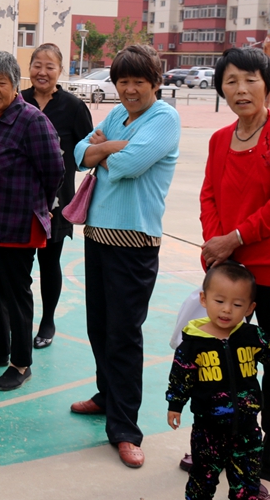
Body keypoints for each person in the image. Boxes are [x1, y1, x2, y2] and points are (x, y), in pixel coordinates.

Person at [71, 44, 180, 469]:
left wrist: (106, 149)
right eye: (123, 81)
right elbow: (80, 154)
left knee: (123, 334)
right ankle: (106, 395)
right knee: (99, 327)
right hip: (98, 235)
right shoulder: (119, 115)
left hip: (133, 242)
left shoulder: (165, 118)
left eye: (138, 81)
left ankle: (125, 429)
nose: (130, 89)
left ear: (155, 82)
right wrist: (106, 146)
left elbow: (132, 164)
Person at [0, 50, 63, 392]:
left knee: (16, 293)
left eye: (1, 82)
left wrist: (40, 204)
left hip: (17, 223)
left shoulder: (32, 120)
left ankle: (21, 362)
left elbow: (54, 169)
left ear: (16, 85)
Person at [199, 46, 270, 491]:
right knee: (225, 368)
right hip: (228, 275)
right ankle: (220, 445)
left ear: (267, 82)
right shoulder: (217, 139)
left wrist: (236, 239)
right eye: (231, 81)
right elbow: (208, 195)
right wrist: (217, 252)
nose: (241, 89)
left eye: (250, 79)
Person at [167, 263, 270, 500]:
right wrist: (175, 405)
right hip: (208, 431)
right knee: (201, 482)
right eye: (219, 301)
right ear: (204, 299)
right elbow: (180, 376)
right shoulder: (193, 344)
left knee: (247, 485)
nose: (227, 310)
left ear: (250, 308)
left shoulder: (252, 337)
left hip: (248, 430)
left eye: (237, 305)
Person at [22, 43, 93, 349]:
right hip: (19, 201)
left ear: (60, 71)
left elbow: (86, 154)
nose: (43, 72)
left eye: (50, 66)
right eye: (37, 65)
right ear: (29, 68)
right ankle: (20, 320)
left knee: (49, 262)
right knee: (19, 266)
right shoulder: (18, 100)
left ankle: (47, 320)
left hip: (57, 202)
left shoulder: (73, 107)